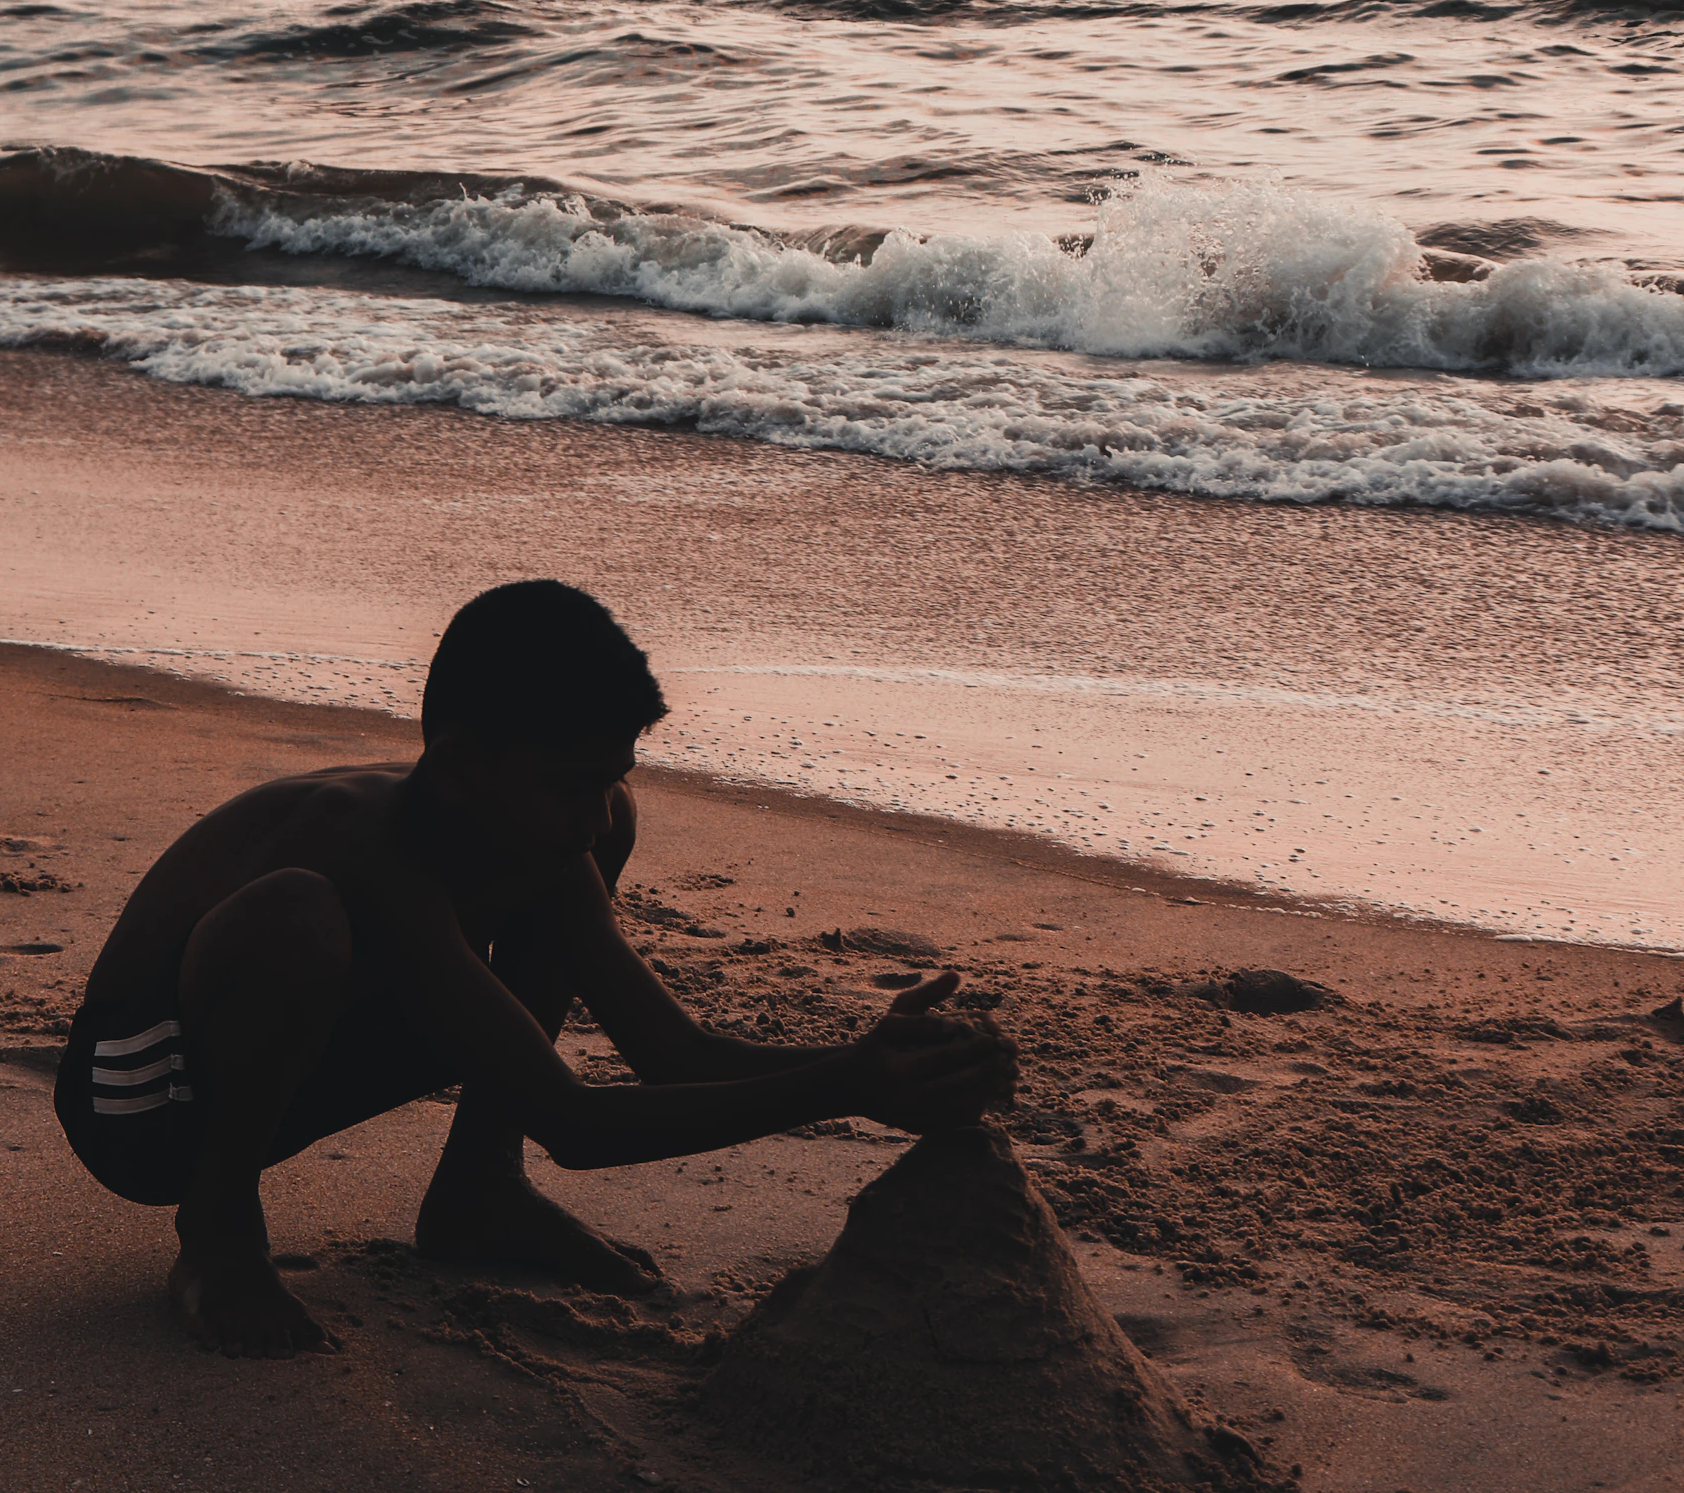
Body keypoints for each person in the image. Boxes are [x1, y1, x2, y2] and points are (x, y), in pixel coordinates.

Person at [55, 580, 1015, 1358]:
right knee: (296, 916)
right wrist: (846, 1086)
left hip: (299, 1048)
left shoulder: (518, 827)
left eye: (614, 775)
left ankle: (479, 1186)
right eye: (571, 783)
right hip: (145, 1102)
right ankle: (217, 1232)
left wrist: (873, 1056)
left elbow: (665, 1050)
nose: (596, 814)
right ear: (463, 762)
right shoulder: (366, 848)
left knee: (573, 855)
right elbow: (579, 1123)